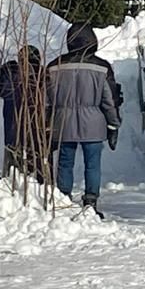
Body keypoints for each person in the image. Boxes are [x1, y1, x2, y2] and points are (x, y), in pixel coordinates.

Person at [46, 23, 121, 213]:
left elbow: (47, 100)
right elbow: (109, 100)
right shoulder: (101, 68)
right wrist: (113, 124)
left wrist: (47, 125)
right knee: (92, 164)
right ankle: (90, 201)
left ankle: (63, 198)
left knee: (65, 163)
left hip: (63, 123)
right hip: (94, 123)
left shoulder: (55, 66)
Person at [0, 45, 45, 178]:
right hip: (36, 126)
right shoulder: (42, 74)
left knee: (13, 156)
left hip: (12, 123)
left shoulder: (11, 72)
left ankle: (11, 181)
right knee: (35, 156)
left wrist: (4, 72)